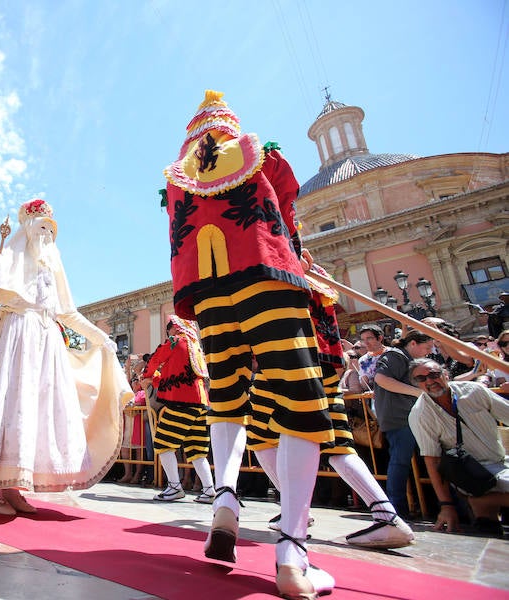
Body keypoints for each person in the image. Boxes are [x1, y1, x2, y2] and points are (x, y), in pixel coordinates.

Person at [162, 89, 334, 598]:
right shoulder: (264, 154)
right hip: (266, 272)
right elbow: (288, 215)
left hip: (206, 291)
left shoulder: (175, 176)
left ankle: (226, 503)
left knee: (228, 396)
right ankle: (292, 554)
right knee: (300, 396)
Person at [0, 199, 131, 516]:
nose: (46, 235)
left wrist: (101, 337)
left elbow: (67, 311)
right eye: (41, 228)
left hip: (43, 340)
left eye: (51, 230)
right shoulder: (8, 255)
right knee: (7, 406)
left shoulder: (52, 268)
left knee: (33, 412)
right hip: (12, 335)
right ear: (27, 229)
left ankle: (12, 485)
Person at [254, 264, 414, 549]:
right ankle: (387, 516)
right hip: (325, 365)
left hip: (285, 363)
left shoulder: (275, 268)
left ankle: (296, 511)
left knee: (260, 437)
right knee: (338, 443)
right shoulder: (314, 272)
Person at [407, 358, 509, 535]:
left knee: (486, 517)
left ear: (445, 374)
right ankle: (481, 504)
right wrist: (446, 505)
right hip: (471, 474)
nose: (430, 381)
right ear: (416, 385)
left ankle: (482, 504)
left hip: (501, 462)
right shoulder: (420, 414)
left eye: (434, 374)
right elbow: (432, 460)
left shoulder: (474, 391)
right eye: (422, 379)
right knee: (486, 520)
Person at [142, 316, 215, 503]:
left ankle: (174, 487)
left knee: (163, 444)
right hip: (200, 402)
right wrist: (156, 379)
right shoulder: (195, 347)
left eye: (169, 329)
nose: (169, 333)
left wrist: (148, 376)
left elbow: (155, 359)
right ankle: (208, 489)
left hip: (181, 402)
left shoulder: (175, 342)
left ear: (174, 328)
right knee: (197, 448)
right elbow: (179, 373)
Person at [372, 329, 434, 518]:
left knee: (425, 460)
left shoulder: (409, 359)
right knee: (400, 461)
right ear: (413, 343)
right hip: (399, 417)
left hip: (412, 416)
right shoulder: (395, 355)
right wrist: (417, 392)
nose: (429, 352)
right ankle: (396, 508)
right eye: (427, 347)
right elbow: (381, 378)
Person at [357, 324, 388, 392]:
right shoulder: (363, 360)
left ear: (380, 338)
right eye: (363, 340)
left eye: (369, 338)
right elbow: (364, 384)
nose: (366, 343)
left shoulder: (392, 354)